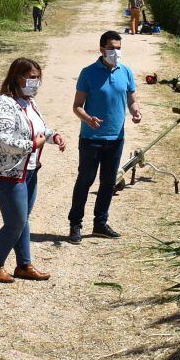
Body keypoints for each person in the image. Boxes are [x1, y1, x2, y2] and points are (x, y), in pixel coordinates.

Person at [0, 58, 66, 282]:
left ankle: (24, 265)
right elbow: (4, 141)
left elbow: (39, 128)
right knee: (15, 221)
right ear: (16, 77)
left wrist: (52, 135)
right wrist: (33, 145)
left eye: (37, 78)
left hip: (29, 171)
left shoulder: (29, 102)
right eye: (30, 77)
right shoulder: (3, 104)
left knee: (23, 218)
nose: (35, 82)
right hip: (6, 173)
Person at [68, 31, 142, 243]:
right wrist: (88, 119)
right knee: (85, 181)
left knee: (108, 183)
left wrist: (136, 111)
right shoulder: (88, 73)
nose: (115, 52)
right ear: (101, 49)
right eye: (111, 48)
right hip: (91, 139)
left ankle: (100, 223)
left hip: (116, 138)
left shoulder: (126, 72)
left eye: (118, 48)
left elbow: (132, 100)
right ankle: (75, 224)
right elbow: (76, 107)